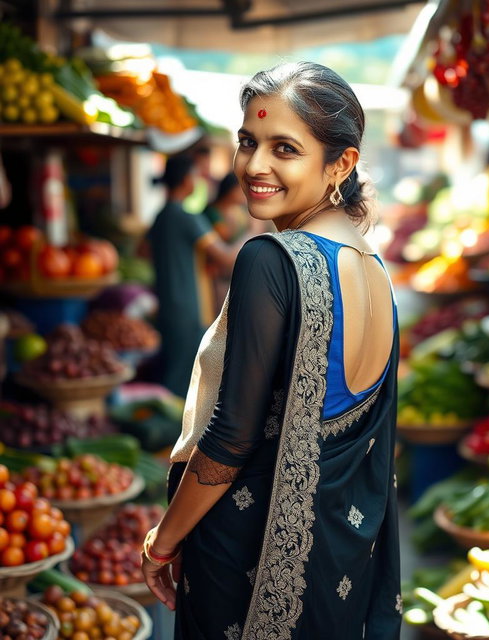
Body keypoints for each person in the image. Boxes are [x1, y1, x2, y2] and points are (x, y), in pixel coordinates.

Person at [141, 61, 402, 640]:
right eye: (247, 142)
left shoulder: (270, 260)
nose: (254, 166)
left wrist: (164, 540)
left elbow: (231, 440)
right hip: (336, 558)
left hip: (249, 561)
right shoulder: (372, 268)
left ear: (342, 163)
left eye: (284, 148)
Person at [147, 154, 242, 398]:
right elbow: (227, 258)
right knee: (185, 382)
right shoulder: (186, 218)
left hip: (167, 305)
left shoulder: (160, 217)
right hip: (189, 308)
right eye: (195, 176)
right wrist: (253, 234)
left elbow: (142, 251)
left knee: (175, 373)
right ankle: (173, 433)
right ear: (185, 180)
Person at [203, 172, 250, 243]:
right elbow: (225, 238)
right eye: (242, 188)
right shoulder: (212, 213)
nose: (246, 192)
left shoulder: (239, 211)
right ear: (231, 189)